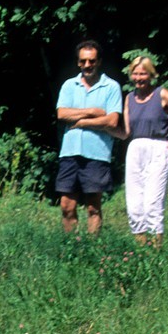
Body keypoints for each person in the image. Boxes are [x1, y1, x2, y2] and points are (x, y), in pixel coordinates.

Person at [115, 55, 168, 246]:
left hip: (158, 148)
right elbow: (126, 131)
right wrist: (104, 126)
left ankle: (156, 254)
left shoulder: (161, 94)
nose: (139, 78)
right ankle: (141, 252)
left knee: (153, 202)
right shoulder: (129, 98)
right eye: (135, 74)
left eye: (143, 74)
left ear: (151, 75)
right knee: (135, 204)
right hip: (135, 149)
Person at [55, 40, 123, 234]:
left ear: (99, 61)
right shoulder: (69, 85)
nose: (87, 65)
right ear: (78, 63)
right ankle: (73, 249)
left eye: (91, 61)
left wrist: (81, 122)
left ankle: (92, 251)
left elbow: (111, 121)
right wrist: (93, 111)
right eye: (83, 61)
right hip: (69, 153)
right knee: (67, 206)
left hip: (97, 154)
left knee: (93, 206)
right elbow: (61, 114)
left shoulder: (111, 87)